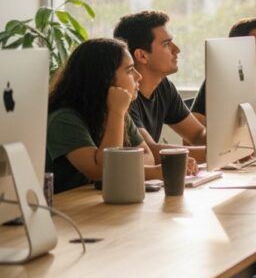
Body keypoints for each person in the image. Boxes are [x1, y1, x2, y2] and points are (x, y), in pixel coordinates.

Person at [45, 38, 197, 194]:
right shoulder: (64, 119)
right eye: (130, 70)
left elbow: (148, 157)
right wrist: (157, 172)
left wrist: (151, 169)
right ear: (104, 78)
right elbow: (104, 171)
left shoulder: (114, 112)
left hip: (96, 200)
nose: (138, 76)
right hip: (66, 206)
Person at [113, 10, 207, 164]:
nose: (177, 49)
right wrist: (219, 152)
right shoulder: (124, 93)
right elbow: (151, 152)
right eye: (166, 44)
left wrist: (234, 143)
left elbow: (198, 134)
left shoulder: (163, 86)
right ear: (142, 55)